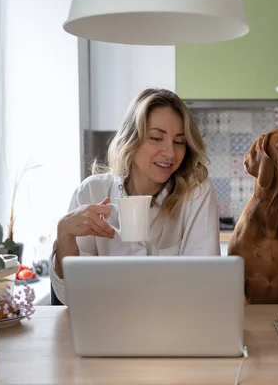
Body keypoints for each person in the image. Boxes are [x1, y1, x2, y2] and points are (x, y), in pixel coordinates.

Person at [49, 88, 221, 305]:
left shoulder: (196, 192)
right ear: (131, 139)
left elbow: (204, 283)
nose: (170, 153)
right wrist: (64, 234)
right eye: (156, 138)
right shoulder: (92, 192)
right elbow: (70, 297)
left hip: (173, 326)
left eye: (179, 141)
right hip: (106, 326)